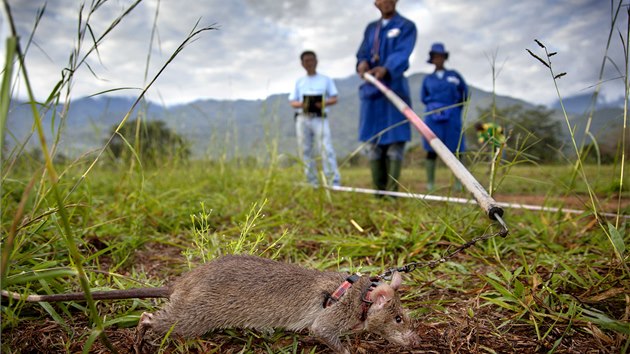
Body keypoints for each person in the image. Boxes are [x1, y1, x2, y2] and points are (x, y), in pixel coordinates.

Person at [356, 0, 417, 195]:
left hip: (394, 88)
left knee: (394, 143)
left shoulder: (406, 26)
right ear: (376, 3)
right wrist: (362, 63)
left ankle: (392, 193)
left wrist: (386, 68)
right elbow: (363, 52)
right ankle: (378, 193)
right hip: (372, 93)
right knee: (374, 143)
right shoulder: (371, 29)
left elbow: (402, 53)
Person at [289, 50, 341, 187]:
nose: (310, 63)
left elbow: (335, 97)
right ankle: (311, 181)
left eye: (312, 60)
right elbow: (292, 101)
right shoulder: (299, 82)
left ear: (316, 61)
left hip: (320, 118)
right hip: (303, 118)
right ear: (302, 64)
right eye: (306, 61)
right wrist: (304, 104)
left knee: (326, 148)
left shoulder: (325, 80)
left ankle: (333, 181)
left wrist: (321, 103)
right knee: (305, 150)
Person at [421, 42, 468, 191]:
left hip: (452, 116)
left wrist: (455, 108)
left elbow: (464, 93)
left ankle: (459, 183)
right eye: (436, 56)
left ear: (444, 58)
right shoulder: (428, 79)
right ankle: (430, 184)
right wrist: (434, 107)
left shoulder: (454, 75)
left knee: (456, 148)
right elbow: (424, 97)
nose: (438, 59)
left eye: (441, 56)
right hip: (433, 117)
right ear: (432, 59)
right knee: (432, 147)